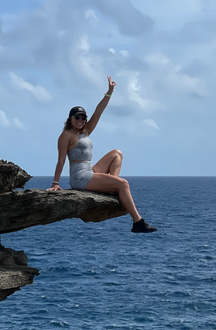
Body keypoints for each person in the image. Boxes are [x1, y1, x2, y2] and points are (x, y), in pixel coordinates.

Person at [48, 76, 157, 233]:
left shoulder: (86, 131)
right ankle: (137, 222)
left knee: (116, 153)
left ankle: (112, 187)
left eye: (83, 117)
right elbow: (60, 160)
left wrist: (109, 92)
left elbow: (99, 111)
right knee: (124, 184)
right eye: (77, 117)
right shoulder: (66, 135)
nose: (80, 120)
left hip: (90, 171)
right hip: (80, 177)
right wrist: (55, 183)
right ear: (70, 119)